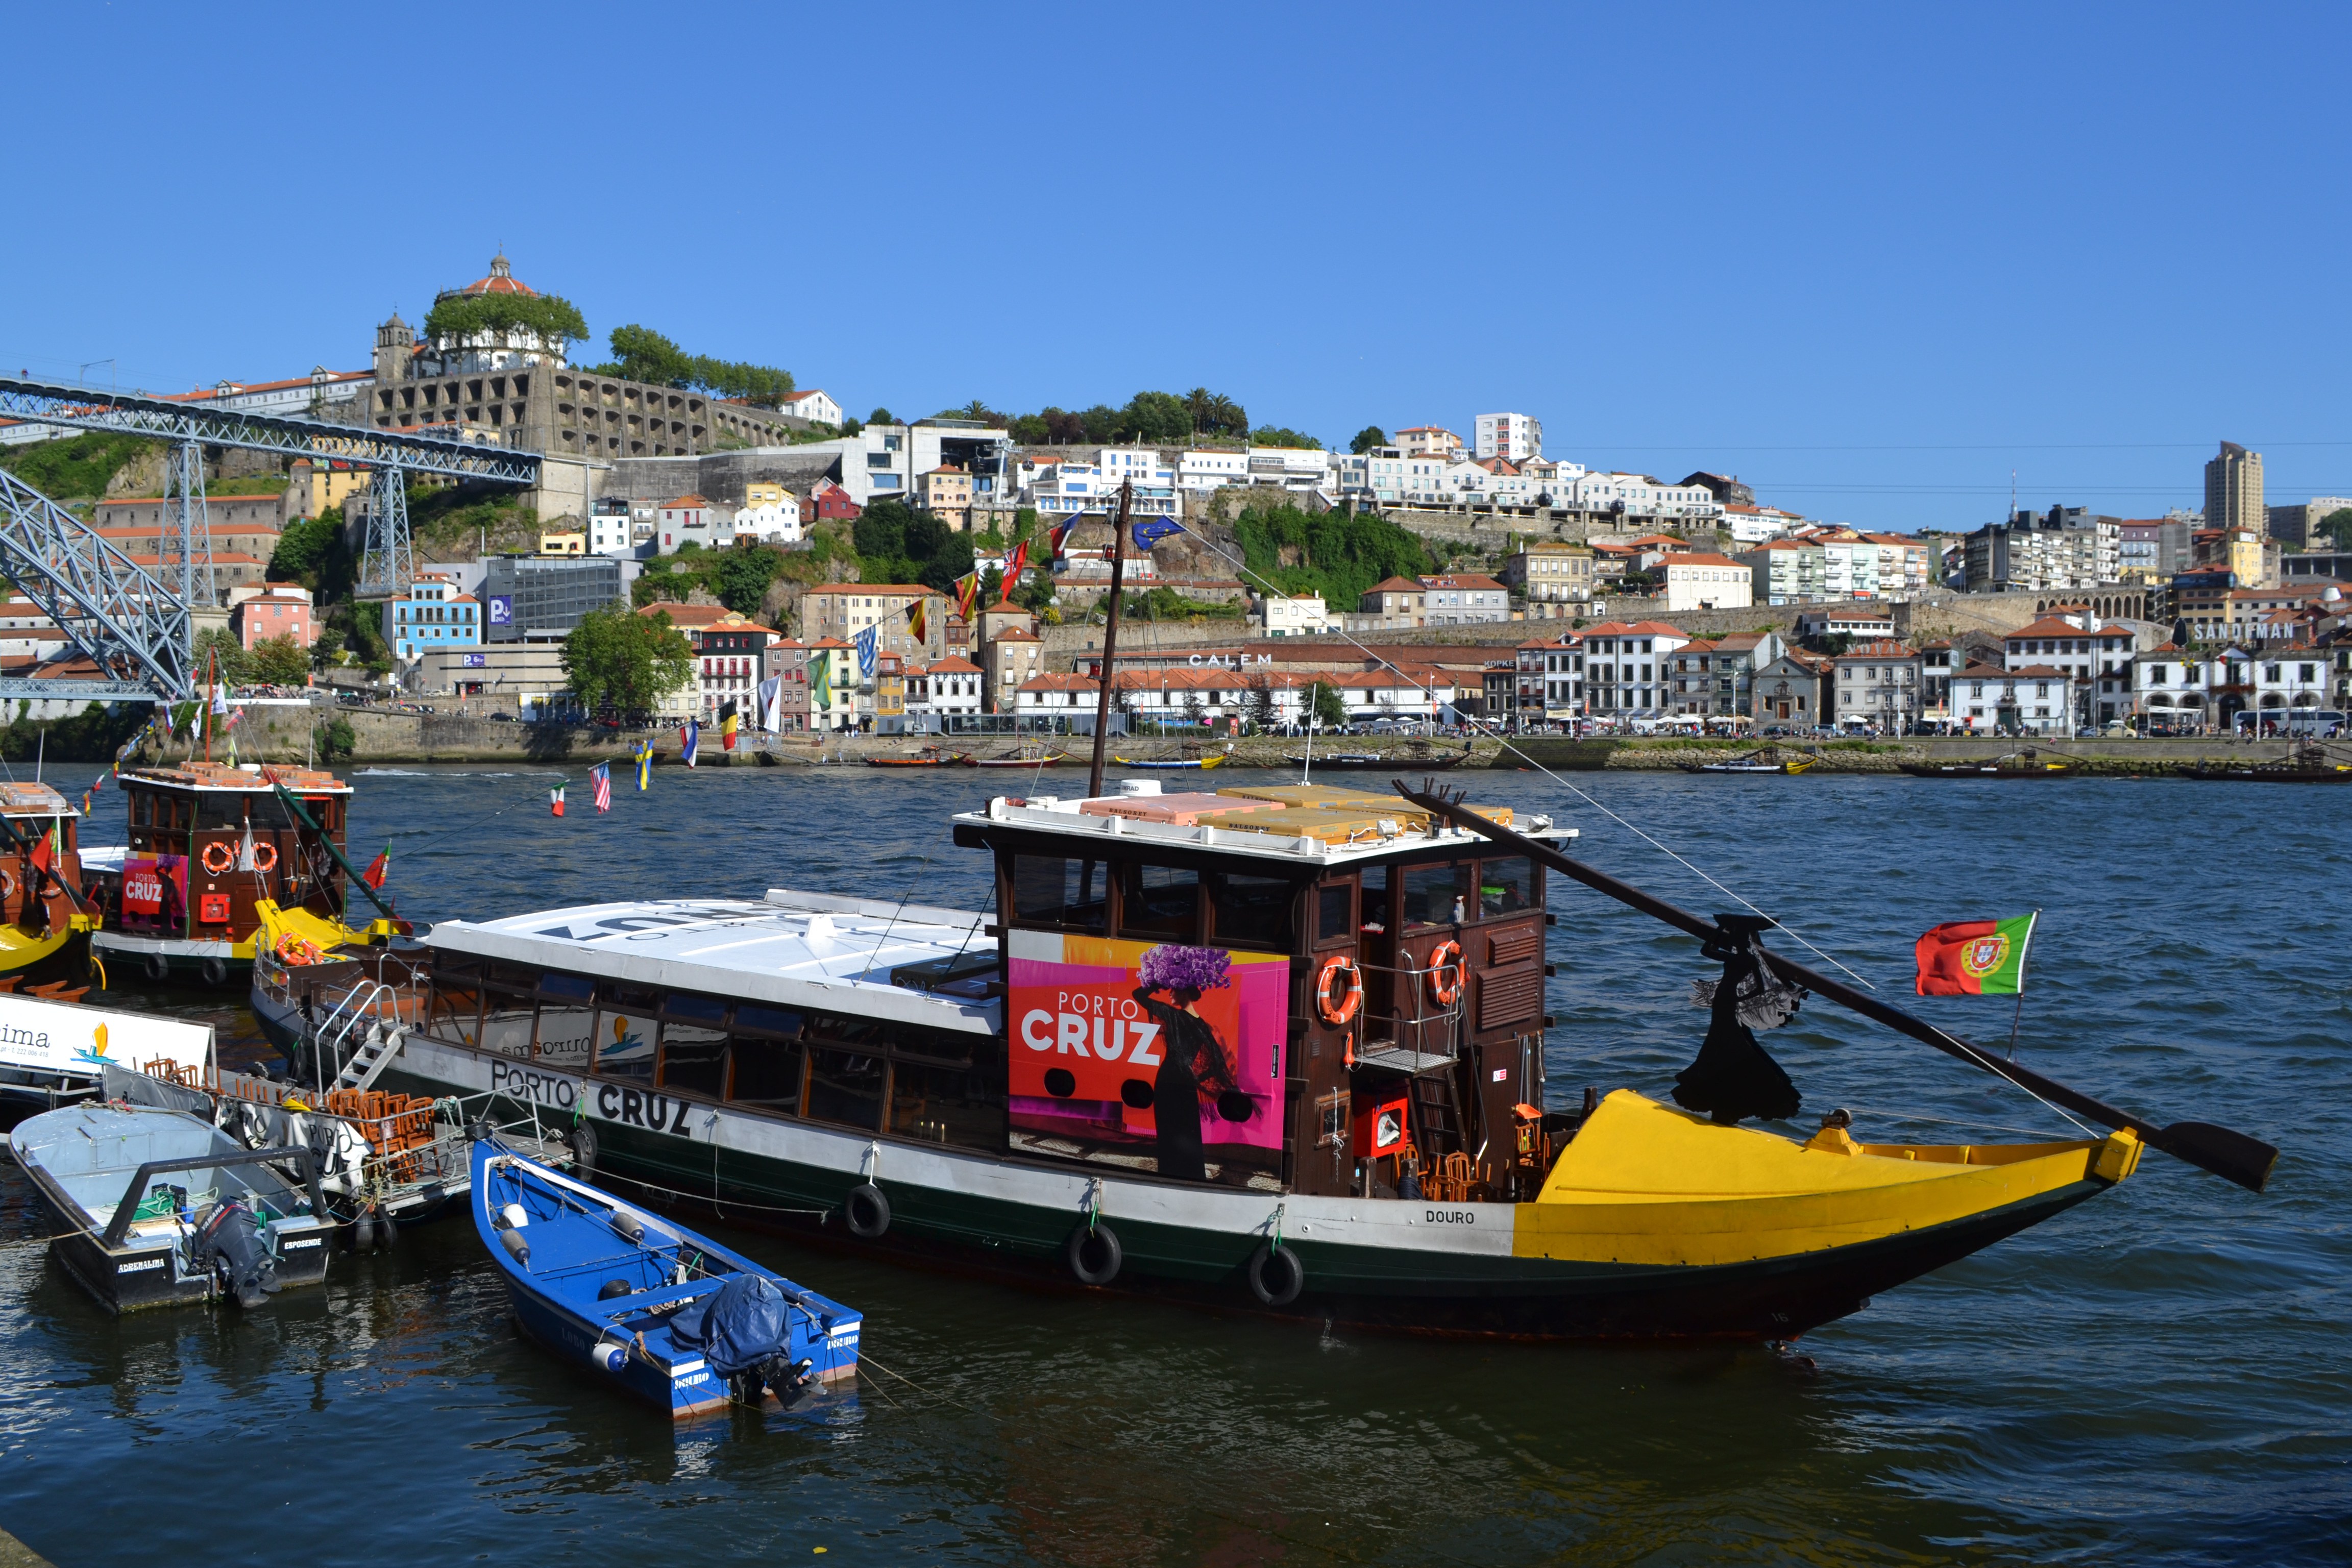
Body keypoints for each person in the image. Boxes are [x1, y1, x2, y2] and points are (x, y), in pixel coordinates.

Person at [1130, 945, 1242, 1182]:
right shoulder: (1202, 1024)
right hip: (1186, 1085)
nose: (1169, 994)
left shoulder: (1174, 1015)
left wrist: (1155, 982)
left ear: (1184, 992)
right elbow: (1215, 1064)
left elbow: (1138, 995)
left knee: (1171, 1134)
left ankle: (1170, 1177)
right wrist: (1197, 1079)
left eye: (1173, 990)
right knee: (1187, 1134)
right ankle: (1190, 1178)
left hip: (1168, 1082)